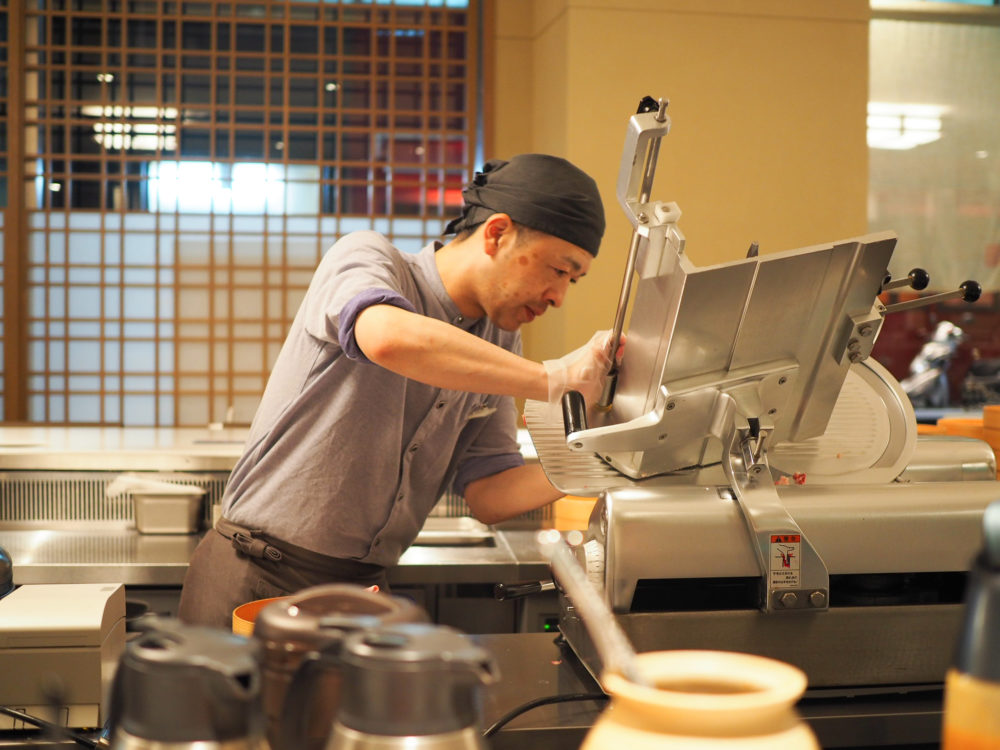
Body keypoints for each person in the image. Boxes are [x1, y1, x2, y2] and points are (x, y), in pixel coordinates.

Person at [178, 153, 618, 628]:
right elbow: (386, 337)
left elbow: (491, 494)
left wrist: (602, 456)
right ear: (497, 233)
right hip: (257, 572)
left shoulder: (498, 339)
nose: (559, 297)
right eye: (558, 270)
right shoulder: (369, 258)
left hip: (362, 588)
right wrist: (555, 381)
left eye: (573, 280)